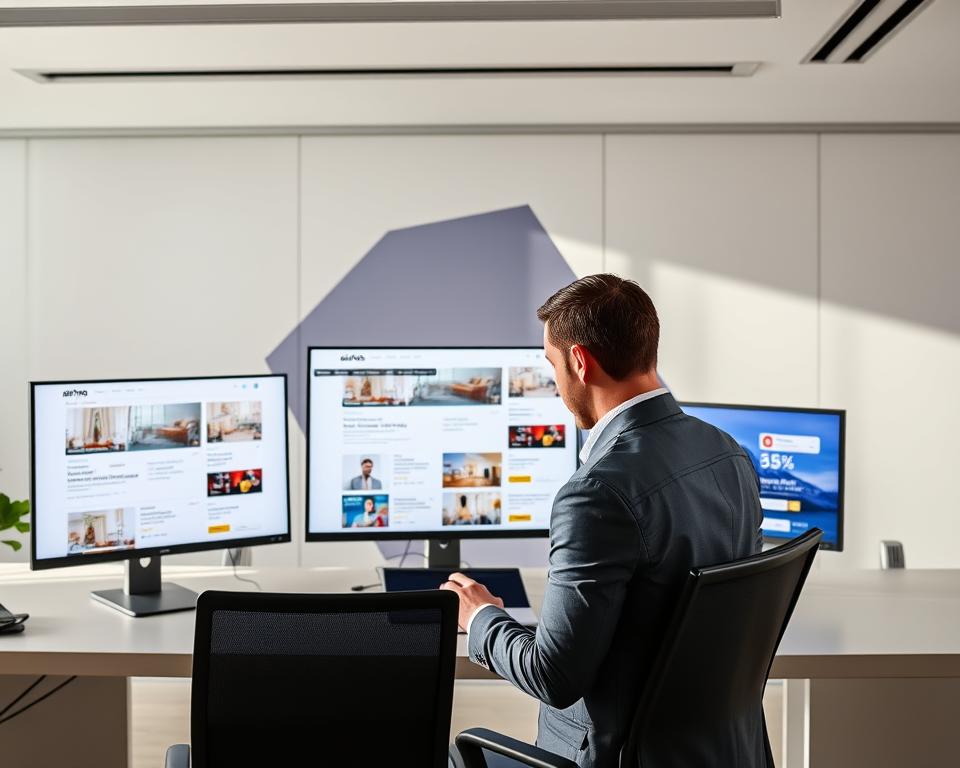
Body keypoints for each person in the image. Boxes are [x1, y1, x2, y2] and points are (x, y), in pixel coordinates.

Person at [441, 274, 763, 768]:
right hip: (717, 751)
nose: (554, 385)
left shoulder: (596, 494)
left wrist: (479, 617)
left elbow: (552, 676)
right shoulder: (726, 452)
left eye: (551, 366)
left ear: (579, 361)